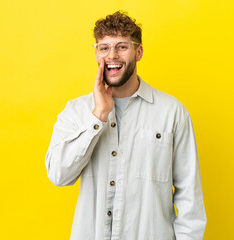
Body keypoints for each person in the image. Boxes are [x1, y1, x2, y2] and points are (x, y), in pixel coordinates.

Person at [45, 10, 207, 240]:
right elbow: (59, 175)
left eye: (122, 46)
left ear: (138, 52)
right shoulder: (76, 111)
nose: (112, 55)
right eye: (104, 47)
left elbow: (190, 198)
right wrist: (98, 117)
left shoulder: (172, 112)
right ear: (96, 53)